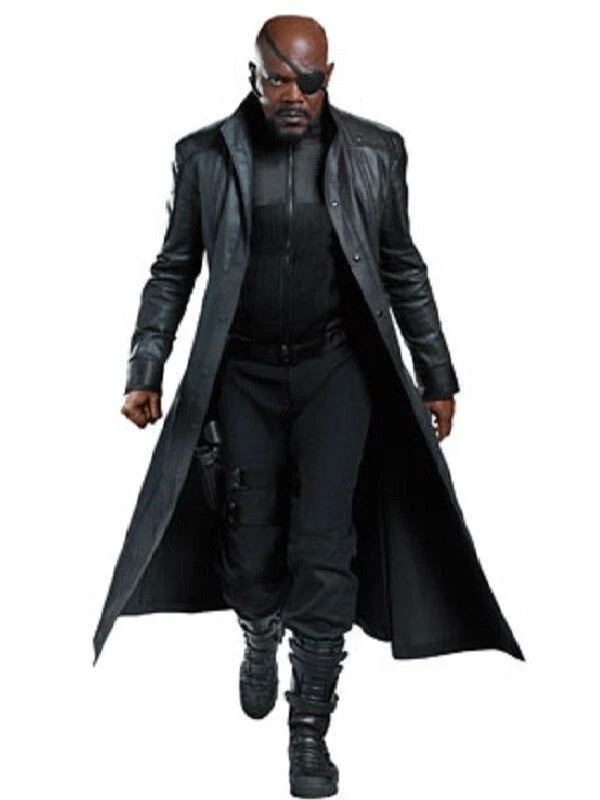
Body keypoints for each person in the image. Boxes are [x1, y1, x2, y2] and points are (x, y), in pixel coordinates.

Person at [95, 13, 524, 799]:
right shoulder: (205, 158)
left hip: (337, 373)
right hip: (243, 376)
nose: (295, 96)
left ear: (331, 77)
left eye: (311, 81)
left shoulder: (375, 153)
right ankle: (259, 629)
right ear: (253, 77)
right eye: (280, 81)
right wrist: (145, 365)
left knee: (325, 549)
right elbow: (173, 268)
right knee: (250, 548)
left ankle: (309, 730)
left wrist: (436, 374)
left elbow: (402, 265)